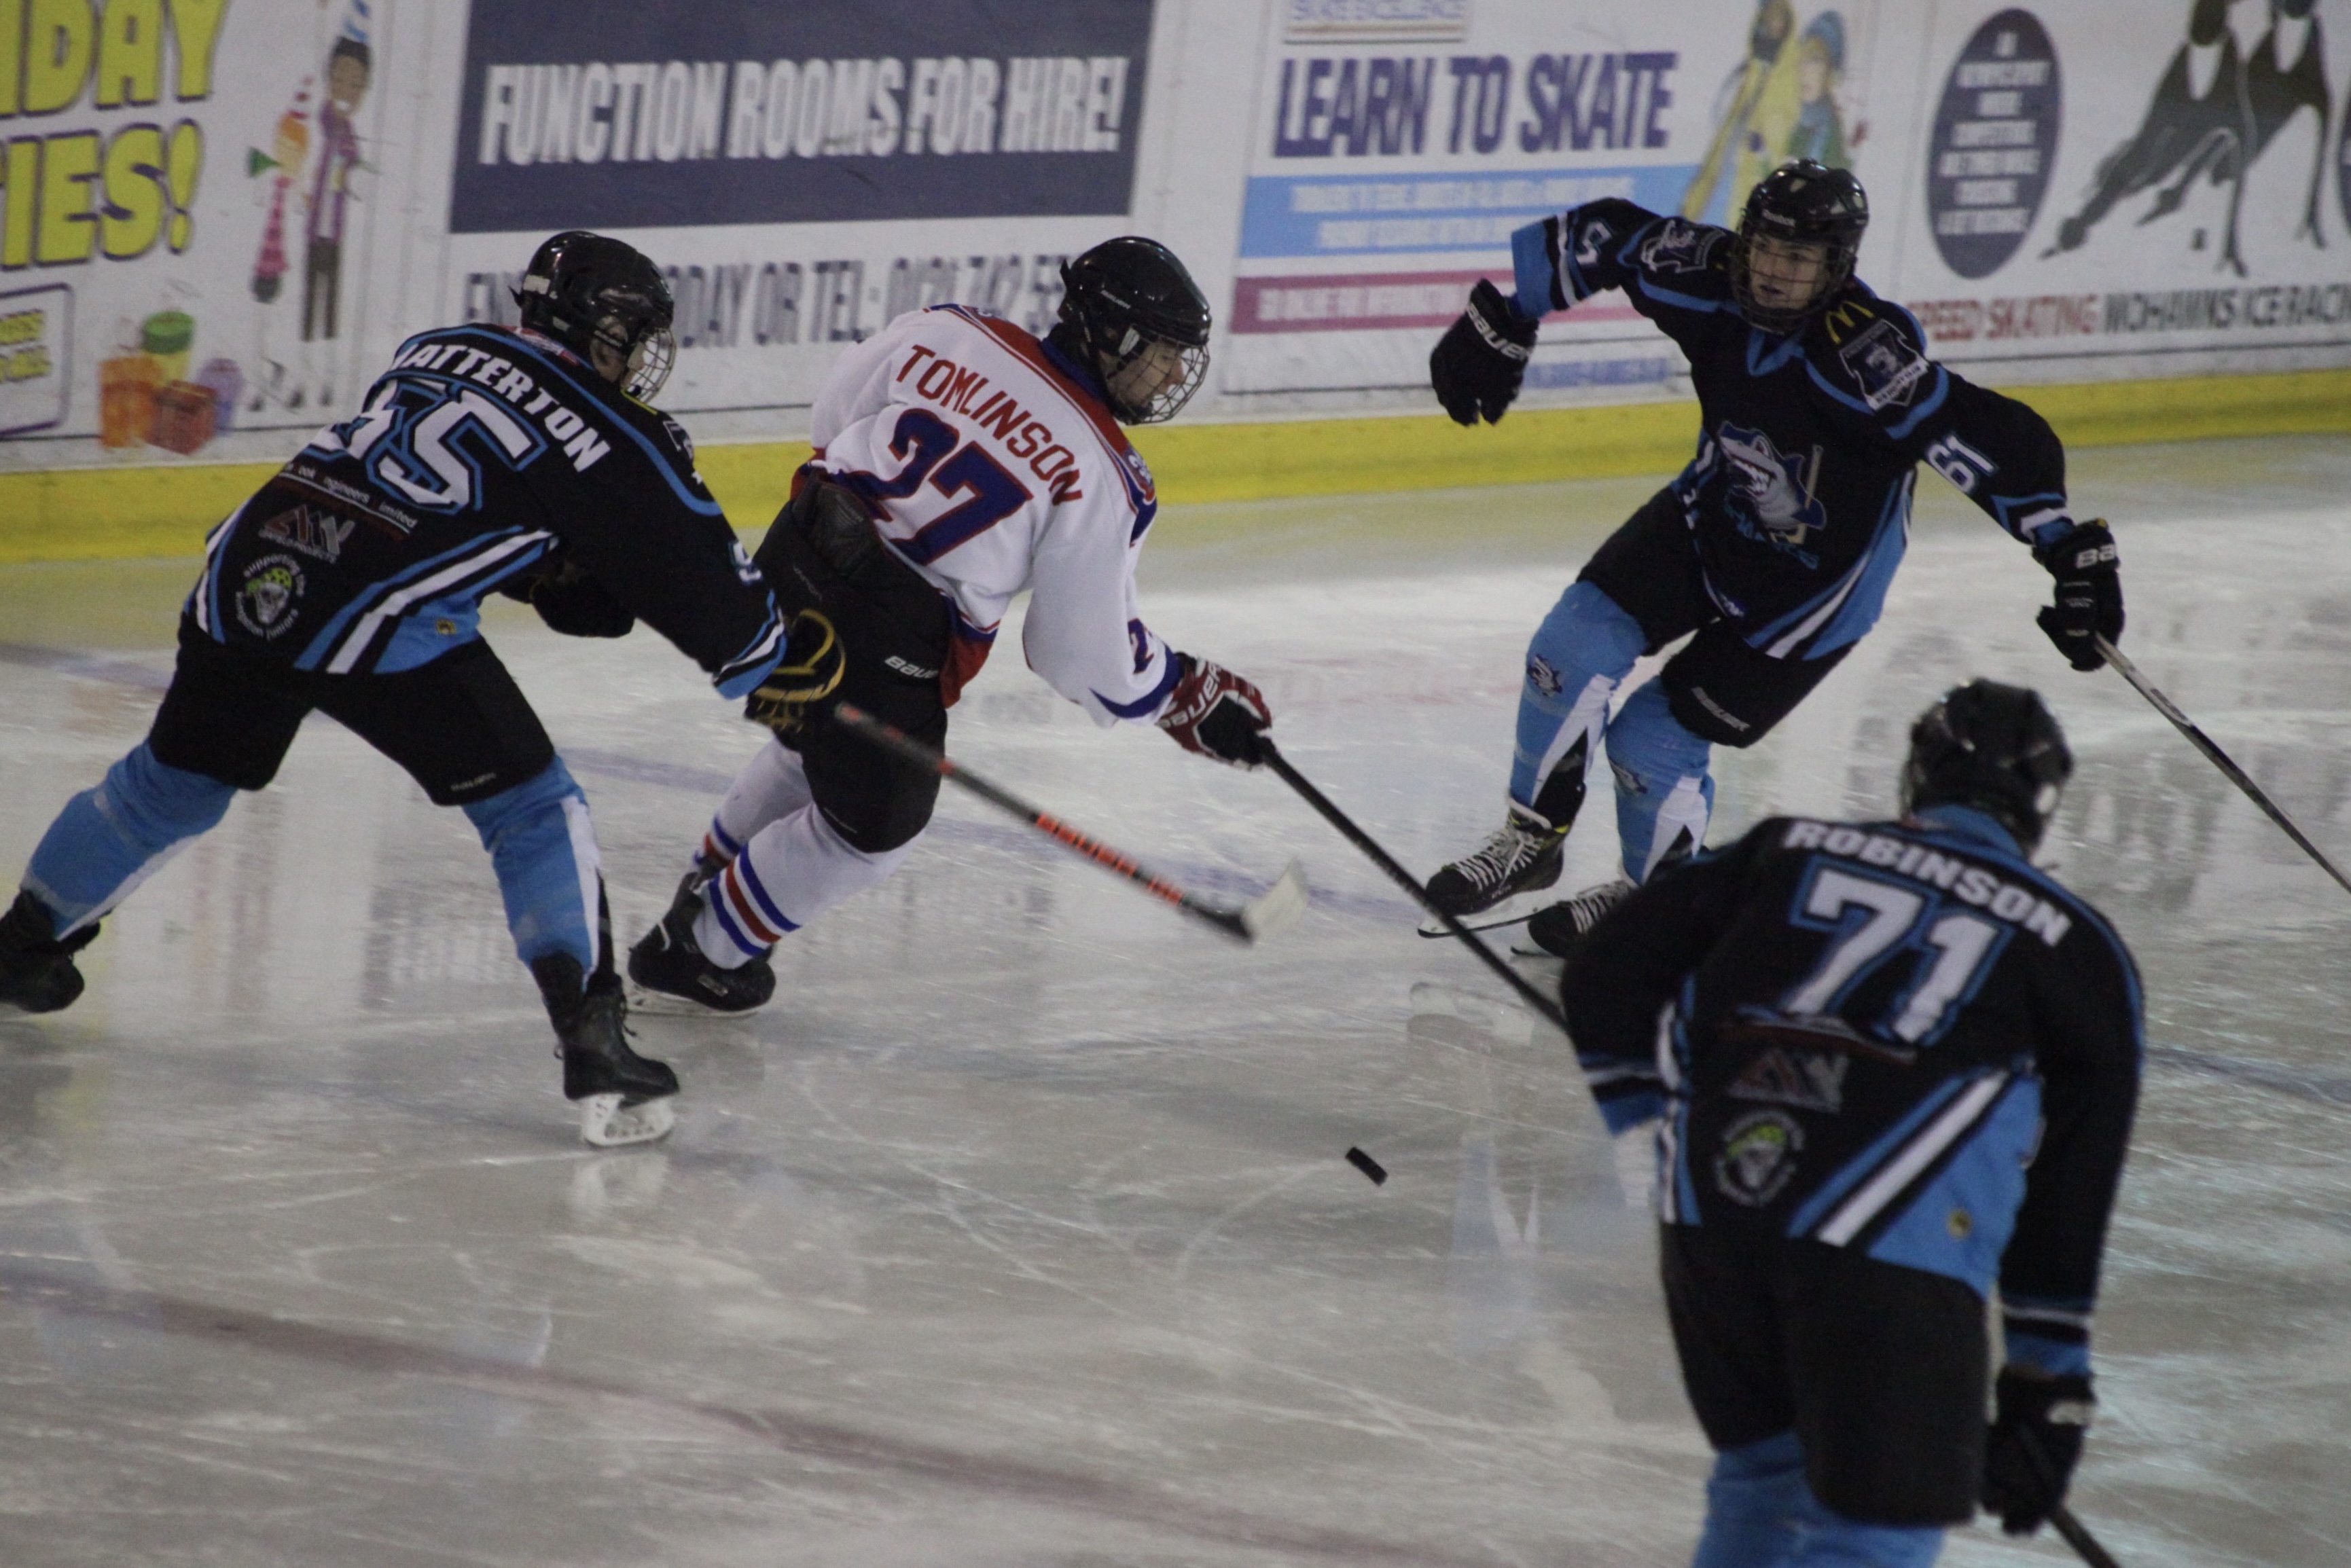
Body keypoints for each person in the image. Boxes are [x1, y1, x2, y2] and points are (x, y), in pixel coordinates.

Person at [0, 232, 788, 1148]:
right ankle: (595, 1041)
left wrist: (539, 563)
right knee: (534, 812)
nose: (639, 353)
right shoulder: (620, 435)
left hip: (250, 559)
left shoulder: (440, 346)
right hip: (374, 615)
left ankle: (21, 946)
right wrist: (780, 663)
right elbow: (729, 617)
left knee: (170, 782)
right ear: (598, 326)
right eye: (632, 330)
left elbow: (434, 492)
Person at [1422, 160, 2125, 955]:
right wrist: (1506, 315)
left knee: (1648, 742)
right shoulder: (1709, 277)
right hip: (1706, 518)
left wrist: (2071, 548)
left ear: (1837, 269)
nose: (1772, 270)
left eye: (1799, 259)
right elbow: (1611, 235)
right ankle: (1531, 838)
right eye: (1764, 247)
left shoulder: (1860, 360)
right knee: (1569, 646)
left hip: (1809, 597)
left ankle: (1662, 902)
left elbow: (1985, 435)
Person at [1558, 680, 2141, 1567]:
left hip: (1713, 1217)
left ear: (1918, 778)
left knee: (1761, 1475)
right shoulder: (2077, 944)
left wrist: (1650, 1127)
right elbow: (2072, 1176)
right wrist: (2044, 1376)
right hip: (1888, 1248)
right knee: (1876, 1530)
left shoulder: (1786, 846)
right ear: (2040, 810)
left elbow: (1604, 967)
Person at [625, 236, 1273, 1009]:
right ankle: (699, 947)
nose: (1173, 375)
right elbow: (1078, 654)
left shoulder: (954, 328)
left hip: (787, 557)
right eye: (1163, 352)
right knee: (872, 829)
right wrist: (1179, 690)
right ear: (1114, 336)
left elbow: (835, 416)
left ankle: (707, 880)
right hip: (885, 637)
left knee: (815, 737)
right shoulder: (1104, 473)